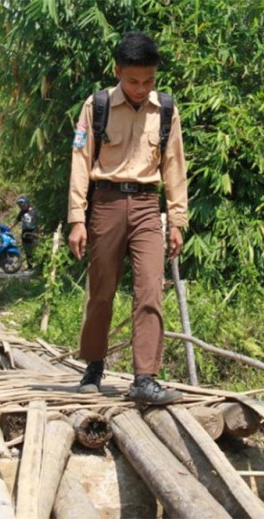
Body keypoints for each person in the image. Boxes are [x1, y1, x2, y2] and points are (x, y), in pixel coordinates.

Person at [67, 31, 188, 405]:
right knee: (101, 292)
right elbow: (80, 161)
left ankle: (145, 378)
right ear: (118, 71)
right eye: (133, 80)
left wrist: (177, 219)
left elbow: (174, 167)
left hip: (148, 208)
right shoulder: (97, 105)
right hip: (104, 204)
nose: (140, 88)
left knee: (150, 290)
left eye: (148, 80)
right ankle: (94, 366)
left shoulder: (165, 109)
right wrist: (76, 218)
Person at [12, 195, 38, 269]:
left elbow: (39, 221)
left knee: (35, 249)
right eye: (20, 206)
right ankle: (30, 266)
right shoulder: (22, 212)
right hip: (25, 233)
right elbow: (17, 221)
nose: (21, 207)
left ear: (27, 203)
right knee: (27, 250)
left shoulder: (34, 211)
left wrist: (40, 231)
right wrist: (10, 227)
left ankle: (37, 266)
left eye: (22, 205)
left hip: (33, 233)